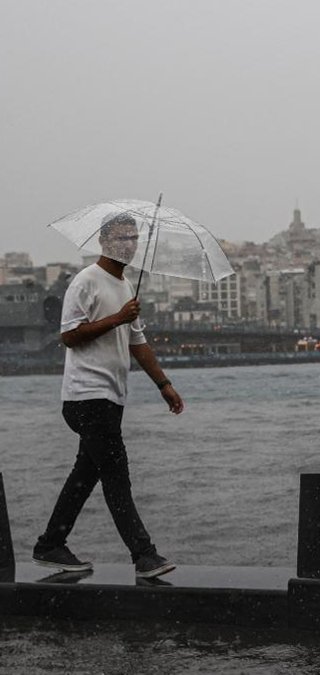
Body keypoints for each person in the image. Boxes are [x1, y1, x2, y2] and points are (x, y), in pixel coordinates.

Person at [32, 212, 183, 579]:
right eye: (120, 238)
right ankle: (144, 555)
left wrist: (164, 384)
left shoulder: (127, 286)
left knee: (85, 474)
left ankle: (51, 543)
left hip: (110, 398)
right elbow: (69, 335)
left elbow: (138, 343)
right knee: (117, 476)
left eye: (133, 238)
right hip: (86, 397)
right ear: (103, 241)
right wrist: (117, 317)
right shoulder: (86, 281)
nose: (128, 245)